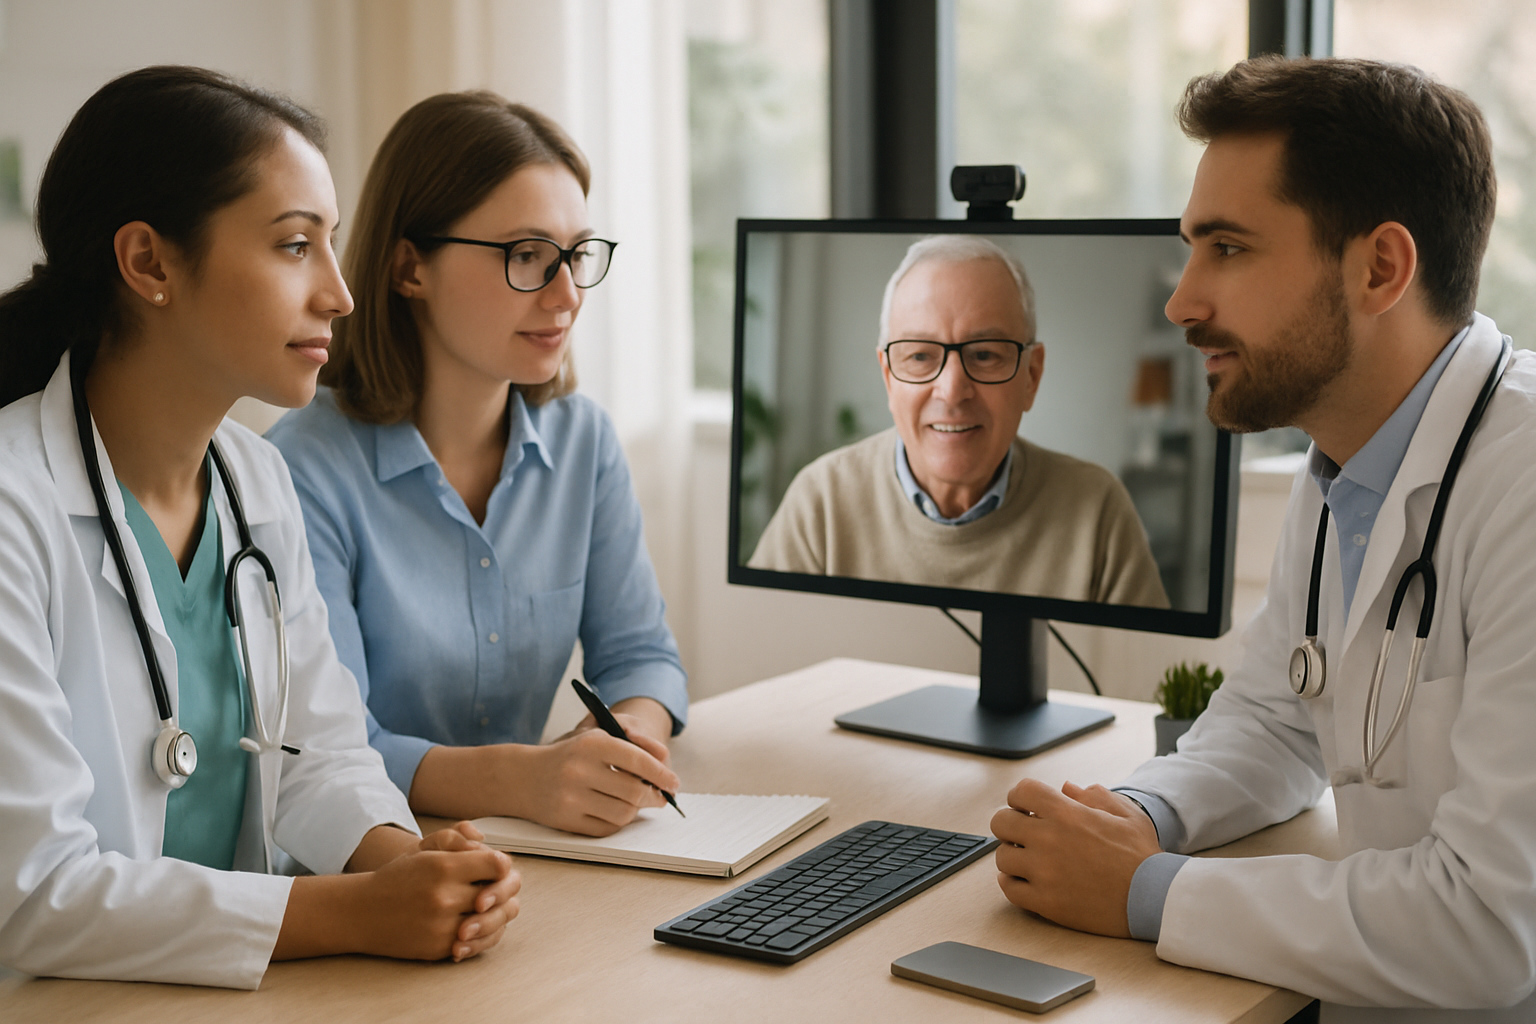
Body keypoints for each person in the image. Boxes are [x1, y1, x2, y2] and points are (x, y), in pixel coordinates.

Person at [990, 57, 1536, 1021]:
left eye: (1229, 250)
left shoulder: (1521, 484)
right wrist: (1138, 816)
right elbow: (1279, 718)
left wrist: (1143, 892)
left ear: (1380, 268)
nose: (1182, 301)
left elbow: (1492, 930)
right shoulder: (1352, 457)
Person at [0, 67, 520, 988]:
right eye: (293, 246)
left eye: (332, 246)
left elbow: (320, 757)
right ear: (149, 263)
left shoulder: (256, 480)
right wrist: (354, 911)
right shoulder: (13, 505)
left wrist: (406, 863)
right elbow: (33, 895)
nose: (340, 294)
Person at [266, 92, 686, 839]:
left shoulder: (583, 440)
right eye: (526, 256)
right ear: (409, 268)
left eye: (576, 256)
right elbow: (329, 750)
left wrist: (626, 742)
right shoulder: (300, 468)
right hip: (373, 865)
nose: (565, 296)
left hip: (538, 853)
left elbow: (641, 656)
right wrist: (527, 780)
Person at [749, 235, 1168, 608]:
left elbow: (1143, 684)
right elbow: (768, 668)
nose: (952, 390)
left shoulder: (1097, 510)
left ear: (1031, 376)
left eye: (984, 354)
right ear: (888, 377)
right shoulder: (821, 501)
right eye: (920, 356)